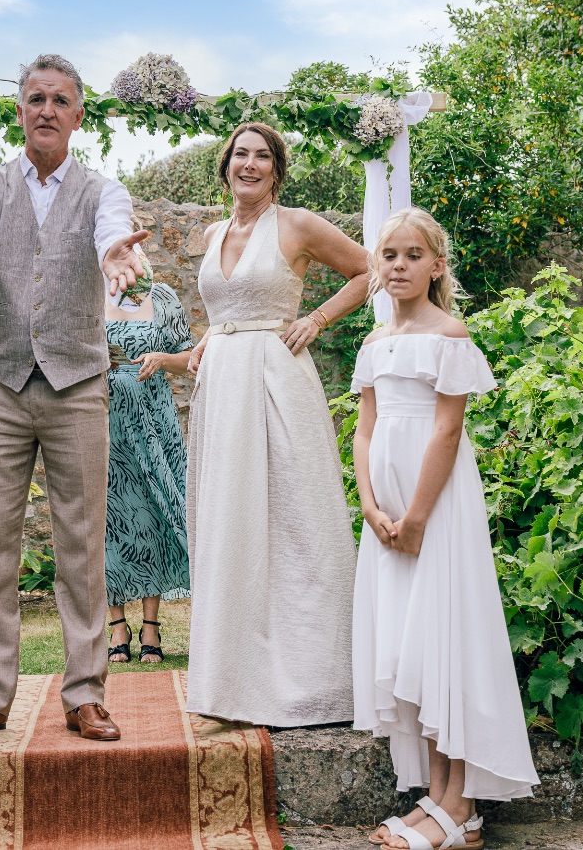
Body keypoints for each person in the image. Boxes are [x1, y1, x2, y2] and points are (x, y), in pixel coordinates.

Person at [0, 54, 148, 743]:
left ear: (79, 116)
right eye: (36, 99)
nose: (47, 110)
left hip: (77, 385)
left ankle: (86, 696)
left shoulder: (103, 191)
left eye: (60, 100)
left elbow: (112, 232)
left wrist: (115, 254)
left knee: (82, 545)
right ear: (20, 112)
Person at [349, 207, 539, 849]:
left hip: (434, 510)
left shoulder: (449, 334)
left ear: (436, 265)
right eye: (389, 255)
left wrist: (418, 517)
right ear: (377, 265)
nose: (399, 265)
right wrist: (371, 505)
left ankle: (463, 804)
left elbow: (447, 430)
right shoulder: (373, 344)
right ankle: (436, 795)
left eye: (413, 255)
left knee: (445, 637)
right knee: (413, 647)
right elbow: (365, 430)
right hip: (388, 518)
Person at [185, 121, 368, 726]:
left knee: (295, 519)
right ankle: (231, 682)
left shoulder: (298, 225)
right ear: (226, 166)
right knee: (228, 521)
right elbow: (225, 309)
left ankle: (317, 678)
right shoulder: (213, 233)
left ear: (276, 170)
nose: (250, 164)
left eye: (262, 156)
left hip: (277, 382)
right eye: (240, 154)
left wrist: (316, 319)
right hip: (222, 391)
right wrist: (204, 346)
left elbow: (368, 270)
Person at [103, 280, 193, 664]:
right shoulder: (89, 292)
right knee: (109, 518)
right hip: (103, 420)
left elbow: (191, 358)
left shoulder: (162, 297)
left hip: (155, 422)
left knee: (154, 516)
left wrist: (162, 359)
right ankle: (117, 627)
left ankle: (151, 627)